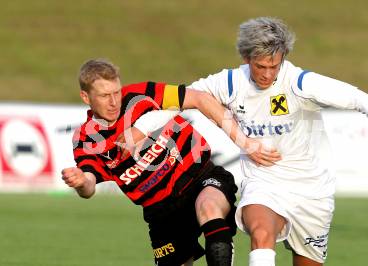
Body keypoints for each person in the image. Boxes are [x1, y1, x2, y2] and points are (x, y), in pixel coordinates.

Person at [189, 17, 368, 266]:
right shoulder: (230, 83)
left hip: (312, 192)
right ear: (246, 58)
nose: (267, 74)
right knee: (261, 233)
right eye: (260, 66)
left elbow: (357, 98)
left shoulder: (300, 83)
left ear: (283, 59)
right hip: (264, 182)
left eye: (274, 66)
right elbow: (184, 96)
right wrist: (142, 123)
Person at [61, 58, 254, 266]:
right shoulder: (87, 138)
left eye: (116, 92)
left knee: (209, 209)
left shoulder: (141, 94)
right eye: (105, 95)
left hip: (201, 178)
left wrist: (246, 143)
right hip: (161, 211)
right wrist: (81, 182)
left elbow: (199, 98)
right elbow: (89, 184)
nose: (114, 101)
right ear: (85, 97)